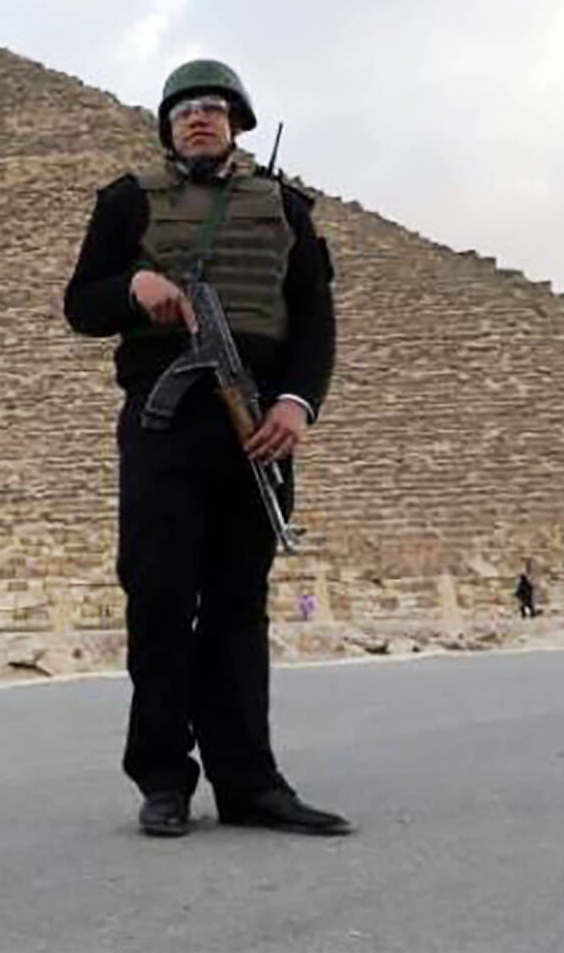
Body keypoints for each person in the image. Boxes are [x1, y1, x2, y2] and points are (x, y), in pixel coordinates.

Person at [63, 59, 349, 839]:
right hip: (165, 426)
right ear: (166, 125)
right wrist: (132, 289)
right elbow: (80, 305)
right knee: (159, 601)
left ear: (238, 124)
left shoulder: (285, 206)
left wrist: (298, 403)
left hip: (258, 425)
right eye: (185, 109)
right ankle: (162, 779)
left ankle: (250, 781)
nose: (199, 119)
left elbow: (314, 317)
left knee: (236, 605)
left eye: (215, 109)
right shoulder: (127, 202)